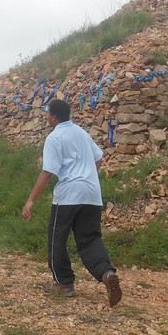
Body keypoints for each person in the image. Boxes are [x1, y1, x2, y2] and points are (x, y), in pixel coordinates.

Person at [22, 98, 122, 307]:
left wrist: (30, 199)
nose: (46, 116)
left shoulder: (54, 137)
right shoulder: (82, 133)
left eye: (47, 113)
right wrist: (86, 176)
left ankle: (64, 282)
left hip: (68, 195)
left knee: (57, 237)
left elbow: (48, 171)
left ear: (54, 117)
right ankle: (107, 273)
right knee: (90, 238)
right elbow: (98, 159)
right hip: (92, 194)